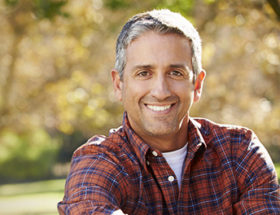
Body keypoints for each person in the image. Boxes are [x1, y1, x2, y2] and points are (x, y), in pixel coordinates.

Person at [58, 9, 280, 214]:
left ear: (197, 85)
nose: (161, 91)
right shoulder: (98, 162)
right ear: (119, 85)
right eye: (144, 73)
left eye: (175, 73)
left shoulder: (240, 153)